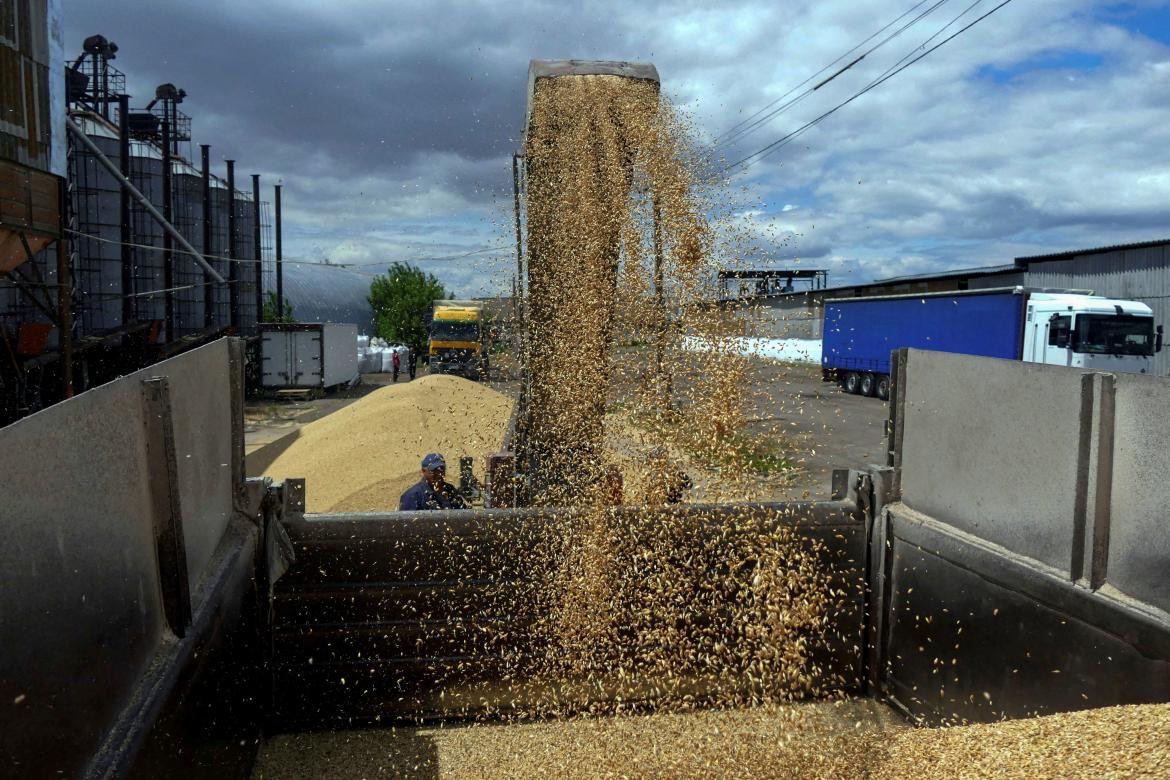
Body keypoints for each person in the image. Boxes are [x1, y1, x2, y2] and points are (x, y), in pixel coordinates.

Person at [399, 453, 466, 511]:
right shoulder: (412, 496)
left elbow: (464, 515)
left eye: (441, 469)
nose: (439, 474)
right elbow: (406, 523)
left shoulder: (451, 490)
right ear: (423, 471)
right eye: (434, 470)